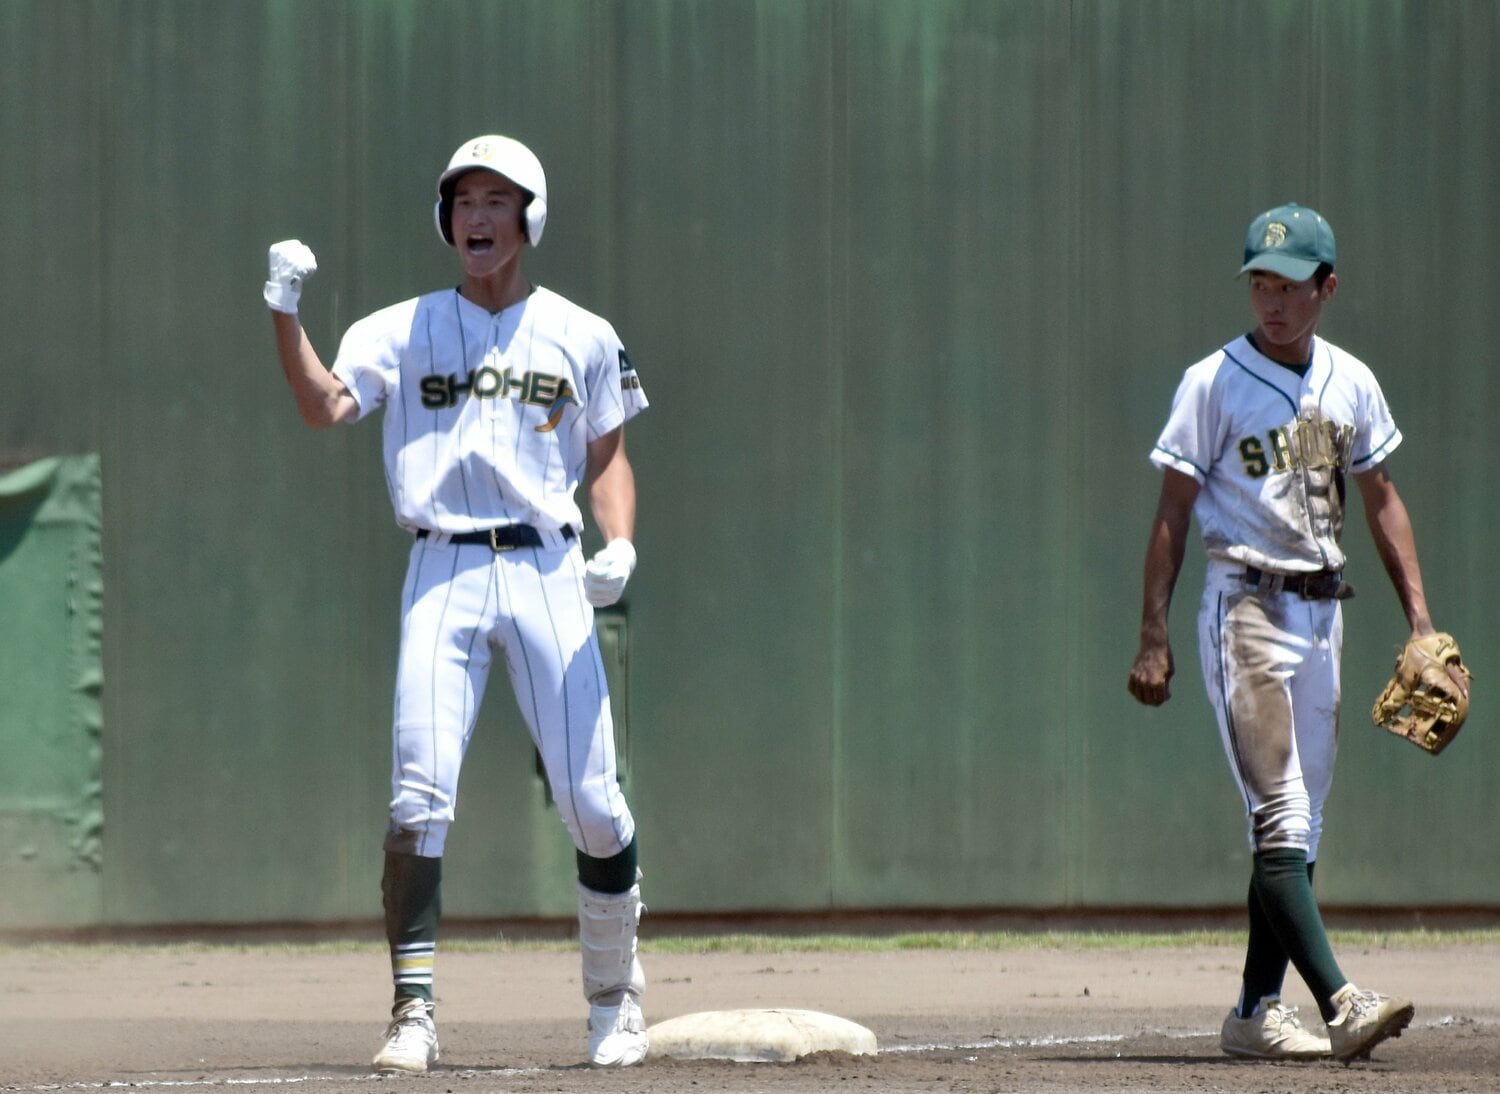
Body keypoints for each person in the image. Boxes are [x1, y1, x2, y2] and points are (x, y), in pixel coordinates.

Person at [264, 134, 651, 1074]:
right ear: (446, 218)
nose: (477, 216)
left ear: (530, 217)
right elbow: (324, 406)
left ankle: (614, 1000)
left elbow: (606, 455)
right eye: (463, 201)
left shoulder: (582, 333)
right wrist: (284, 313)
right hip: (443, 566)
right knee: (418, 795)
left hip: (549, 567)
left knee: (593, 803)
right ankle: (414, 1013)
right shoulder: (400, 329)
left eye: (496, 200)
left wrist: (621, 544)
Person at [1126, 203, 1466, 1062]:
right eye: (1260, 284)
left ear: (1327, 287)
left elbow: (1382, 498)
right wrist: (1154, 635)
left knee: (1302, 828)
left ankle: (1253, 1013)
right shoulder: (1213, 382)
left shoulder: (1352, 380)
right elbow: (1171, 511)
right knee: (1279, 812)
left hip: (1322, 614)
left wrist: (1422, 621)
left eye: (1289, 286)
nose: (1272, 302)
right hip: (1244, 607)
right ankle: (1343, 1003)